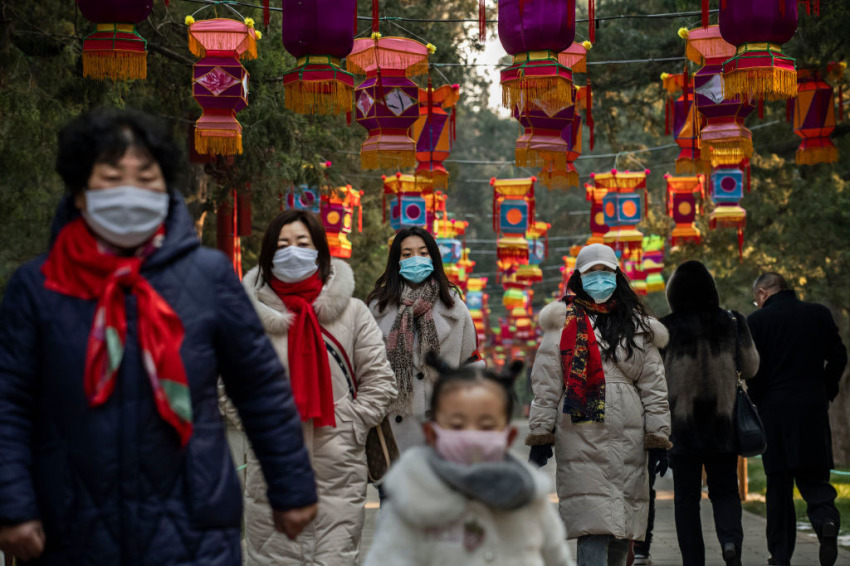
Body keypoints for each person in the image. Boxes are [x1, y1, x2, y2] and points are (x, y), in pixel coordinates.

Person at [0, 108, 318, 565]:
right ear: (80, 194)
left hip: (194, 526)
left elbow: (260, 388)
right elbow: (9, 401)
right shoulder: (38, 285)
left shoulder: (208, 277)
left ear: (165, 187)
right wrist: (13, 504)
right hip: (71, 527)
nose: (130, 192)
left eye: (145, 177)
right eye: (111, 176)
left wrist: (291, 486)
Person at [225, 210, 397, 565]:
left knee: (334, 558)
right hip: (273, 466)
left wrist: (348, 422)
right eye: (283, 244)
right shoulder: (247, 317)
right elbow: (228, 386)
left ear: (319, 251)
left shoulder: (352, 313)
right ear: (269, 253)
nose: (293, 252)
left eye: (302, 243)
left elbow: (380, 381)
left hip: (339, 464)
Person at [526, 243, 672, 566]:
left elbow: (654, 386)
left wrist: (659, 437)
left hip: (628, 436)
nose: (600, 279)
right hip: (580, 433)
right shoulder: (561, 323)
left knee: (621, 529)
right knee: (593, 527)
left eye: (606, 272)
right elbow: (546, 384)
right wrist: (540, 435)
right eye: (592, 273)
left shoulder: (637, 325)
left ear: (617, 275)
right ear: (579, 277)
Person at [363, 354, 572, 566]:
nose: (472, 435)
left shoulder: (529, 499)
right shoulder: (409, 501)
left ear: (508, 437)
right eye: (457, 426)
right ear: (432, 434)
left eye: (486, 426)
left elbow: (558, 560)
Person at [661, 261, 760, 566]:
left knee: (686, 499)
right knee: (726, 491)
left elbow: (654, 379)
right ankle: (730, 543)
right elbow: (752, 365)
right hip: (723, 423)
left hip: (682, 426)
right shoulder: (732, 321)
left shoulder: (664, 328)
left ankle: (694, 561)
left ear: (673, 292)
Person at [748, 273, 847, 566]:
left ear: (764, 293)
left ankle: (780, 556)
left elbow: (753, 370)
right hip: (812, 411)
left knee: (778, 489)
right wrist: (825, 391)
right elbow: (839, 357)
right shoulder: (818, 314)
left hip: (775, 413)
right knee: (815, 479)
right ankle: (826, 521)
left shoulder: (757, 321)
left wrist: (759, 400)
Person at [367, 226, 483, 454]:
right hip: (391, 436)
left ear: (433, 257)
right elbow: (365, 370)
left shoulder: (455, 308)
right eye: (407, 254)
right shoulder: (376, 309)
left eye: (423, 252)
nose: (416, 260)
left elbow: (471, 367)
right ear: (396, 261)